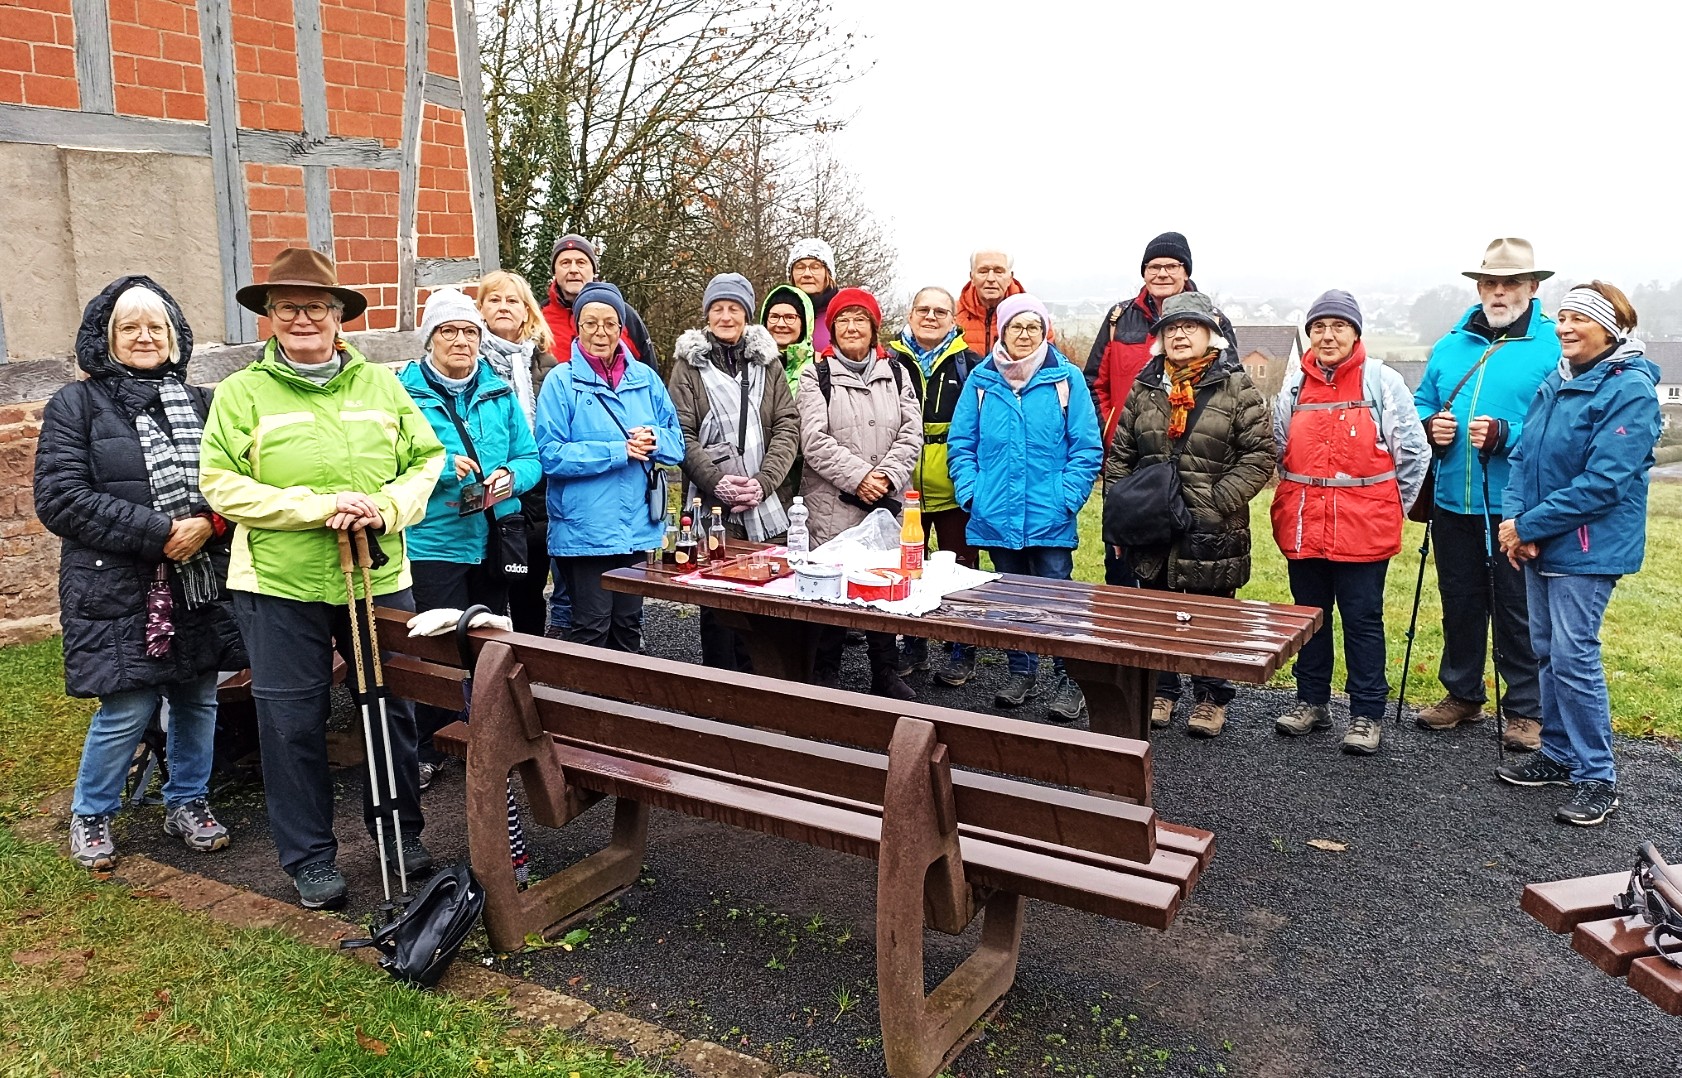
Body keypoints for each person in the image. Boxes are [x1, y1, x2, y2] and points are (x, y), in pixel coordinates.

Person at [200, 248, 445, 910]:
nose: (302, 318)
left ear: (339, 316)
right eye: (287, 307)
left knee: (391, 708)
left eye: (316, 306)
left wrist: (386, 507)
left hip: (377, 572)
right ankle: (309, 857)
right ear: (269, 317)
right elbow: (220, 483)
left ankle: (399, 833)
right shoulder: (241, 393)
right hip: (278, 582)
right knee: (292, 722)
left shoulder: (382, 386)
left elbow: (427, 460)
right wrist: (319, 507)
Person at [36, 276, 247, 871]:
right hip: (116, 583)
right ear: (106, 338)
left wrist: (208, 522)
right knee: (127, 704)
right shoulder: (75, 405)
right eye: (129, 327)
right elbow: (61, 498)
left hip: (199, 577)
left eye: (156, 327)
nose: (144, 337)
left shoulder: (204, 402)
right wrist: (161, 532)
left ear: (175, 337)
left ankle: (188, 800)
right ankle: (92, 812)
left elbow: (238, 481)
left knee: (198, 697)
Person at [1496, 282, 1661, 826]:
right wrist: (1516, 524)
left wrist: (1529, 525)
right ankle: (1558, 754)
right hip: (1539, 540)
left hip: (1587, 549)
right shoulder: (1558, 379)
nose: (1565, 327)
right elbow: (1521, 457)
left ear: (1608, 329)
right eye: (1562, 317)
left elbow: (1604, 483)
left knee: (1574, 657)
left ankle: (1597, 777)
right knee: (1546, 650)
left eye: (1579, 319)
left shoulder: (1629, 389)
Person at [1104, 292, 1272, 738]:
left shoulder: (1236, 387)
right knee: (1158, 613)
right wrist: (1121, 518)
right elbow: (1120, 457)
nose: (1179, 335)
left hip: (1213, 528)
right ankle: (1163, 691)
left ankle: (1211, 696)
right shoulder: (1145, 387)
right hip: (1152, 526)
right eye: (1171, 328)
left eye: (1190, 327)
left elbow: (1259, 455)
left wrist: (1216, 501)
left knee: (1210, 616)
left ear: (1210, 334)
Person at [1413, 238, 1558, 750]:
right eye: (1489, 283)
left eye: (1509, 283)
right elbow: (1422, 402)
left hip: (1516, 507)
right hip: (1453, 499)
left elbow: (1562, 425)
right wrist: (1431, 426)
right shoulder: (1451, 345)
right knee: (1460, 602)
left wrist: (1507, 435)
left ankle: (1526, 710)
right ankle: (1463, 693)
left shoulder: (1552, 346)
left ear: (1532, 287)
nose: (1498, 292)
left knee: (1517, 608)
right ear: (1478, 288)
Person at [1270, 291, 1429, 754]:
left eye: (1338, 326)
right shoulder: (1295, 388)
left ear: (1356, 333)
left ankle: (1366, 714)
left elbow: (1413, 453)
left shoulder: (1382, 381)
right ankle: (1311, 702)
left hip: (1364, 530)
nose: (1328, 335)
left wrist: (1389, 506)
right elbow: (1281, 449)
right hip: (1305, 525)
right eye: (1319, 327)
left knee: (1362, 620)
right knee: (1309, 618)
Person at [398, 288, 541, 788]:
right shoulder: (402, 396)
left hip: (494, 537)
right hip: (433, 541)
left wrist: (511, 477)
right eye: (449, 331)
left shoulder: (499, 391)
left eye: (469, 332)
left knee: (487, 641)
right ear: (430, 339)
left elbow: (530, 457)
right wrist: (439, 469)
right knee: (436, 646)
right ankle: (430, 745)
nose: (461, 341)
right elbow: (387, 464)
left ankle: (481, 734)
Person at [948, 294, 1102, 722]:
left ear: (1044, 331)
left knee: (1058, 597)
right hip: (996, 512)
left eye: (1033, 326)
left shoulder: (1066, 379)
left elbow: (1086, 448)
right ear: (1001, 330)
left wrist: (1066, 497)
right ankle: (1022, 673)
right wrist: (973, 494)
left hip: (1050, 513)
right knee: (1010, 598)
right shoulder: (981, 381)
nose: (1024, 334)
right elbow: (961, 445)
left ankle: (1069, 679)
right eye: (1016, 326)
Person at [535, 281, 684, 652]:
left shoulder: (646, 379)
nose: (600, 332)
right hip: (586, 529)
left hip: (636, 525)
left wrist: (655, 438)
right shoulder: (561, 382)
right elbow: (550, 454)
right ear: (577, 327)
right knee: (592, 626)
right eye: (590, 323)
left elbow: (677, 445)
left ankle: (627, 693)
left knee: (629, 626)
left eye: (609, 323)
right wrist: (619, 451)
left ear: (621, 328)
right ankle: (584, 692)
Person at [1085, 232, 1235, 587]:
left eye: (1172, 265)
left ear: (1186, 271)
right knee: (1123, 566)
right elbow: (1095, 382)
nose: (1162, 273)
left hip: (1193, 465)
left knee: (1189, 565)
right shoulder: (1119, 318)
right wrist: (1114, 433)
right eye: (1154, 266)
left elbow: (1229, 386)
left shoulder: (1213, 319)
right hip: (1129, 462)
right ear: (1143, 272)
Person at [668, 273, 801, 669]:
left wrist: (764, 483)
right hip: (713, 507)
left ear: (747, 314)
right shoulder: (688, 367)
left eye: (734, 309)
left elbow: (787, 425)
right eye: (717, 309)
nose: (726, 317)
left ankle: (764, 686)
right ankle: (720, 689)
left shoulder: (769, 364)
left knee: (767, 599)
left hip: (767, 505)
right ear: (707, 315)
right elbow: (681, 432)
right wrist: (717, 482)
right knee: (718, 606)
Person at [796, 287, 922, 699]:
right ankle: (826, 672)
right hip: (832, 505)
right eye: (843, 320)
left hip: (887, 502)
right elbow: (814, 440)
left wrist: (885, 476)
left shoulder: (898, 373)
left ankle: (885, 672)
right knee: (831, 586)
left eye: (860, 319)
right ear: (832, 329)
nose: (852, 327)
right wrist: (860, 478)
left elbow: (912, 433)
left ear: (874, 327)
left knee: (883, 585)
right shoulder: (816, 376)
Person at [886, 286, 982, 683]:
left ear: (953, 319)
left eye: (940, 311)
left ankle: (962, 646)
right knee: (908, 566)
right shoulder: (889, 360)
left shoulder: (970, 364)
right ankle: (913, 642)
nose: (930, 317)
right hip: (902, 483)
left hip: (952, 484)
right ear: (910, 315)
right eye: (923, 309)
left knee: (961, 567)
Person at [476, 269, 562, 636]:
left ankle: (529, 661)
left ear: (527, 310)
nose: (503, 307)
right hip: (486, 489)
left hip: (535, 492)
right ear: (480, 309)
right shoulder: (469, 362)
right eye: (494, 299)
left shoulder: (546, 365)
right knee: (488, 593)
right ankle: (488, 664)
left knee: (529, 591)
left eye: (512, 300)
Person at [538, 233, 657, 364]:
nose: (573, 270)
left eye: (581, 263)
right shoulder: (538, 317)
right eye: (565, 263)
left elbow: (648, 369)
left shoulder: (623, 314)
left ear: (593, 270)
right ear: (554, 271)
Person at [955, 249, 1030, 355]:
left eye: (998, 272)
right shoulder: (951, 315)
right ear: (972, 277)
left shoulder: (1032, 316)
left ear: (1010, 277)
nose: (991, 279)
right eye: (983, 271)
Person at [759, 282, 817, 395]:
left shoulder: (820, 366)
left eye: (790, 317)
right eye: (774, 317)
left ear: (804, 324)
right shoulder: (749, 364)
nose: (781, 324)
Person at [787, 237, 839, 355]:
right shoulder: (778, 314)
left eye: (815, 267)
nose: (807, 274)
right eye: (800, 267)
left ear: (828, 273)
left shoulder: (843, 315)